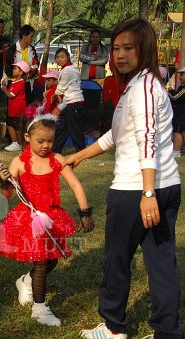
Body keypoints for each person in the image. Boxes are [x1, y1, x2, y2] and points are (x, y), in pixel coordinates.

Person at [67, 19, 182, 339]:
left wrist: (147, 193)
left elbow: (146, 138)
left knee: (116, 259)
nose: (119, 55)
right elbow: (116, 136)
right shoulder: (141, 84)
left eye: (128, 48)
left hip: (137, 190)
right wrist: (77, 156)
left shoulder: (143, 86)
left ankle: (114, 328)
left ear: (144, 49)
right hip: (163, 186)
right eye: (116, 48)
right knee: (162, 265)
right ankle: (167, 332)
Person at [0, 114, 93, 326]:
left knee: (52, 260)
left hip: (52, 216)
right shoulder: (19, 162)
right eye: (41, 141)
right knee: (41, 263)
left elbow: (76, 185)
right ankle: (39, 309)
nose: (46, 145)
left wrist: (85, 213)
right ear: (27, 137)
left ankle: (25, 282)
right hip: (29, 218)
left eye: (51, 140)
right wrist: (3, 181)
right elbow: (7, 194)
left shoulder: (57, 159)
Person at [51, 48, 85, 154]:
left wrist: (52, 96)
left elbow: (60, 89)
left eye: (62, 57)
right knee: (61, 128)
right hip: (69, 103)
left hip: (73, 102)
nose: (60, 59)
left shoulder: (67, 70)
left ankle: (82, 150)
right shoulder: (70, 68)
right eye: (57, 57)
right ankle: (55, 150)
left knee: (74, 129)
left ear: (67, 57)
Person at [6, 24, 39, 103]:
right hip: (14, 83)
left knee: (27, 110)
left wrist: (31, 71)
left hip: (27, 84)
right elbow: (7, 69)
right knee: (13, 109)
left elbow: (36, 65)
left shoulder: (32, 50)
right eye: (31, 36)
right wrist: (19, 76)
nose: (32, 39)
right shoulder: (12, 50)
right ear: (24, 36)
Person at [1, 60, 29, 152]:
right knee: (10, 124)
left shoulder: (20, 83)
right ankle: (15, 142)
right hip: (13, 107)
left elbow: (10, 95)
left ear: (21, 72)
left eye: (15, 68)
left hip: (17, 108)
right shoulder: (15, 82)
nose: (13, 70)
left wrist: (4, 88)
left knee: (16, 125)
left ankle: (17, 143)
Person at [169, 66, 185, 158]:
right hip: (180, 112)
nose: (180, 77)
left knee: (178, 131)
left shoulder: (184, 88)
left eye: (182, 74)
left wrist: (171, 91)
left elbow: (176, 97)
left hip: (181, 113)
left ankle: (176, 152)